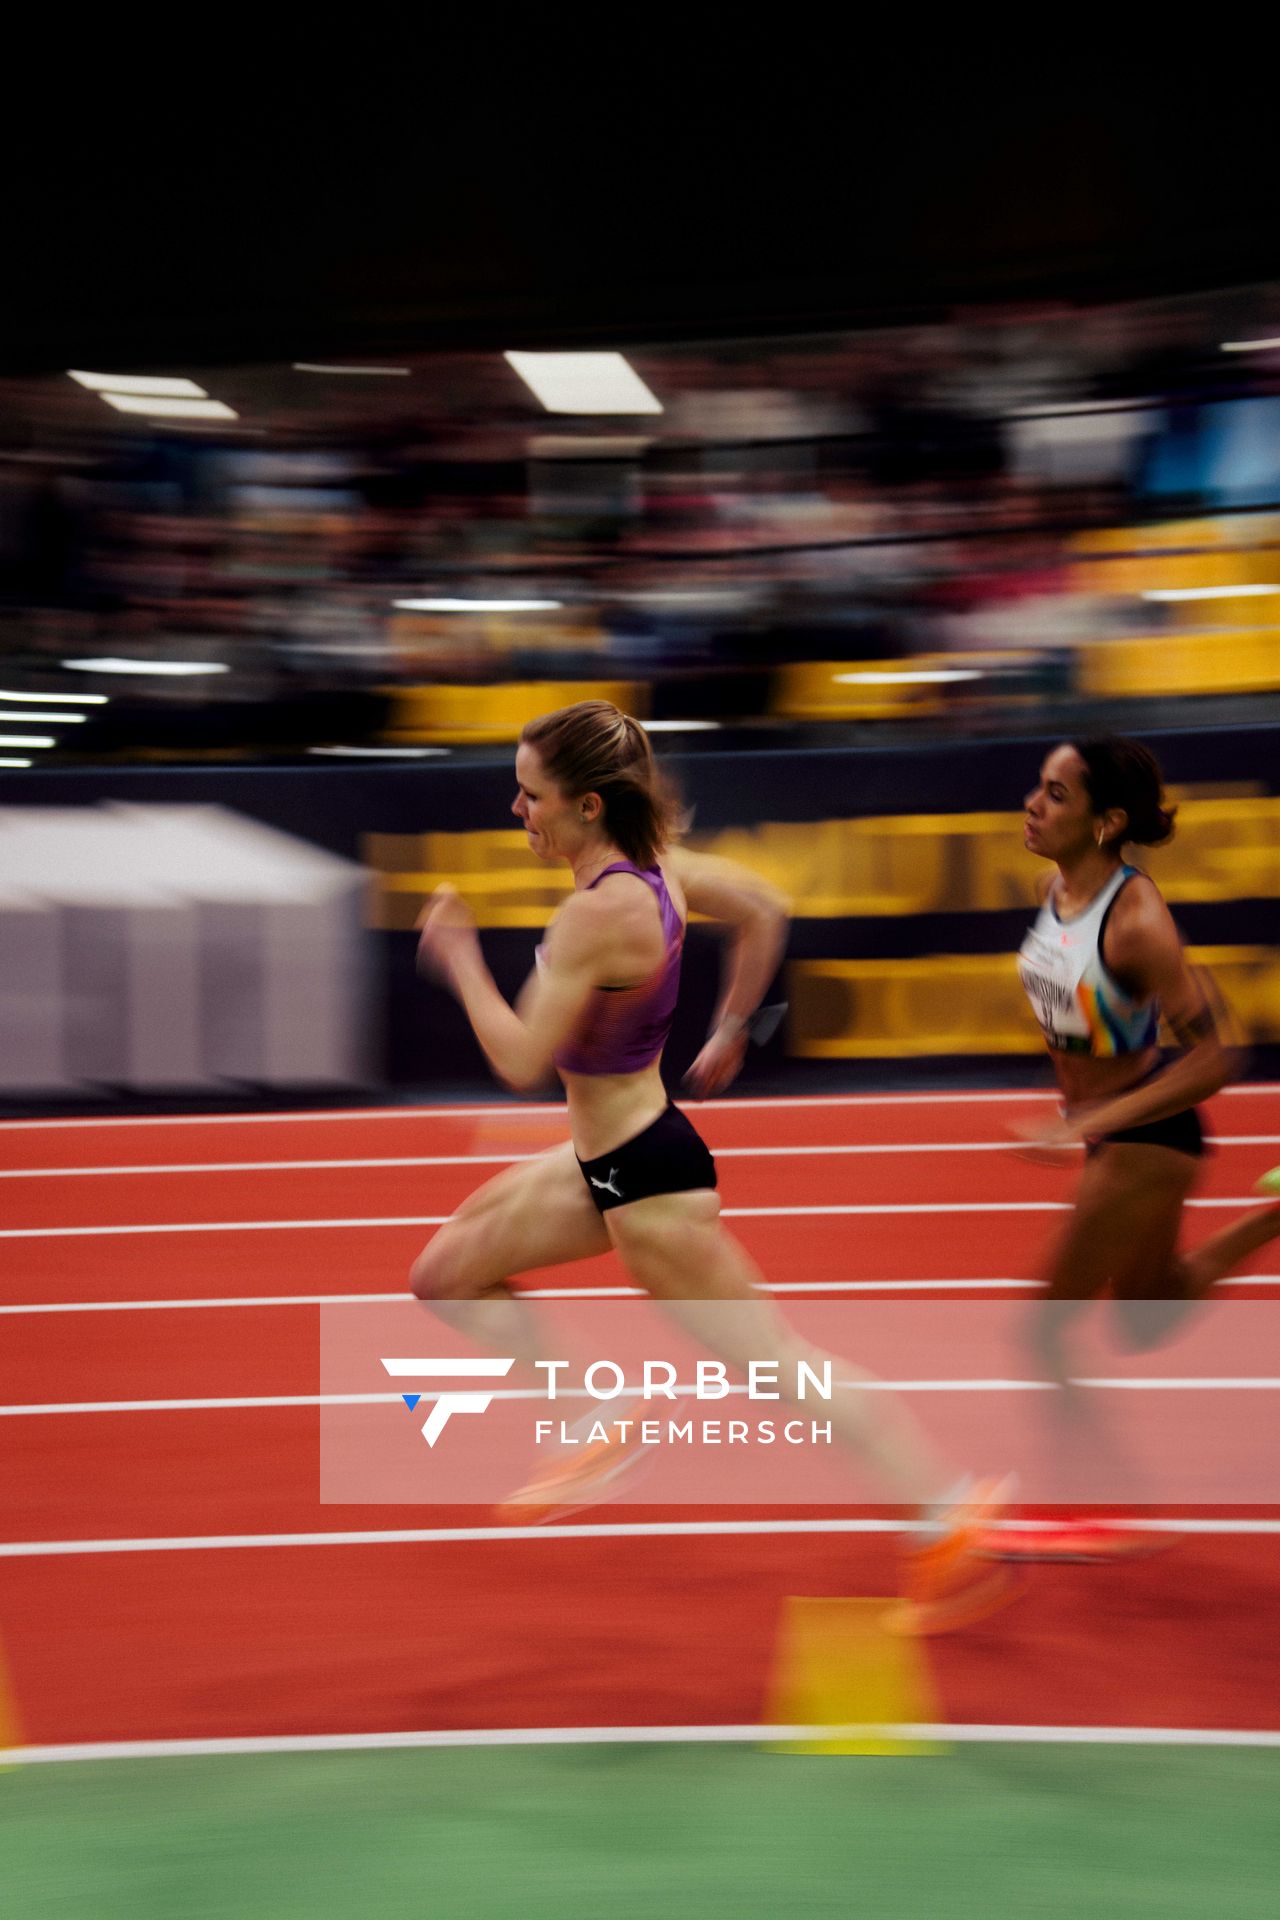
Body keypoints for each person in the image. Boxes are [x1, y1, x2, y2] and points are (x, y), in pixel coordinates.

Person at [412, 698, 1011, 1633]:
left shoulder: (599, 914)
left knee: (782, 1370)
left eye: (530, 796)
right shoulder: (661, 871)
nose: (516, 811)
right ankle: (591, 1425)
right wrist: (732, 1027)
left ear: (589, 806)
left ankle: (948, 1514)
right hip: (607, 1160)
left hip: (648, 1184)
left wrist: (458, 958)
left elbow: (521, 1060)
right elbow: (765, 907)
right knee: (444, 1273)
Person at [993, 735, 1280, 1560]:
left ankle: (1096, 1506)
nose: (1033, 804)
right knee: (1147, 1317)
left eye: (1055, 795)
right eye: (1037, 788)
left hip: (1145, 1140)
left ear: (1107, 820)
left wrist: (1085, 1121)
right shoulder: (1059, 887)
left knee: (1042, 1334)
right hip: (1121, 1135)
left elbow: (1220, 1055)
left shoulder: (1138, 921)